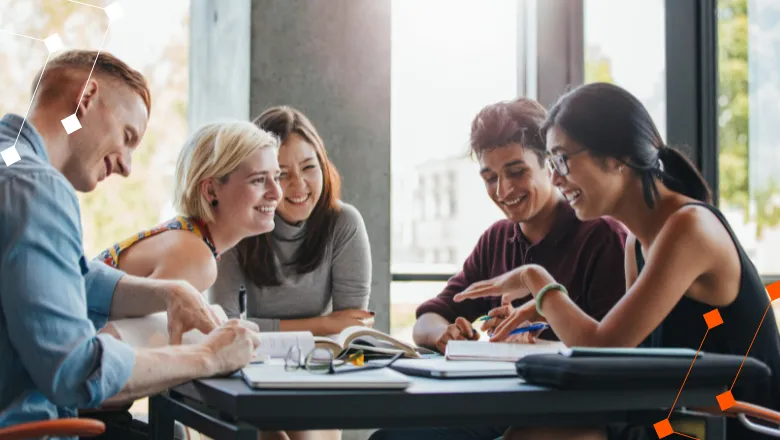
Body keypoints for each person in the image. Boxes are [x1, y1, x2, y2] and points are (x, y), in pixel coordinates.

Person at [453, 82, 780, 440]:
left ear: (616, 157)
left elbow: (600, 348)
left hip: (732, 428)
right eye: (550, 162)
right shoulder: (636, 245)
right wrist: (544, 311)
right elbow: (622, 362)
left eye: (562, 159)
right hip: (677, 423)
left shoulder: (690, 227)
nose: (556, 177)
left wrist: (537, 280)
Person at [0, 50, 261, 438]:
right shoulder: (36, 188)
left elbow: (60, 278)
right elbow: (76, 372)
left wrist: (170, 292)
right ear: (86, 99)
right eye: (127, 137)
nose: (126, 166)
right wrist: (207, 356)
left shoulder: (11, 166)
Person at [369, 97, 629, 440]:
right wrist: (445, 336)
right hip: (503, 407)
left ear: (549, 166)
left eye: (517, 172)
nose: (503, 190)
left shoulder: (601, 236)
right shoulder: (497, 239)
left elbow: (615, 354)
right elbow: (427, 321)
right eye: (490, 178)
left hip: (576, 413)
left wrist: (537, 343)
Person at [209, 106, 373, 440]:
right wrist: (323, 324)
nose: (298, 185)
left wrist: (322, 331)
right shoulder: (238, 226)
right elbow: (224, 328)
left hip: (319, 367)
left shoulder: (344, 223)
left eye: (309, 167)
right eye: (281, 173)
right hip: (250, 368)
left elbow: (351, 331)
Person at [95, 120, 282, 295]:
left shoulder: (189, 238)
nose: (277, 193)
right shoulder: (195, 257)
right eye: (258, 180)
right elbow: (116, 328)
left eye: (277, 177)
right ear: (211, 191)